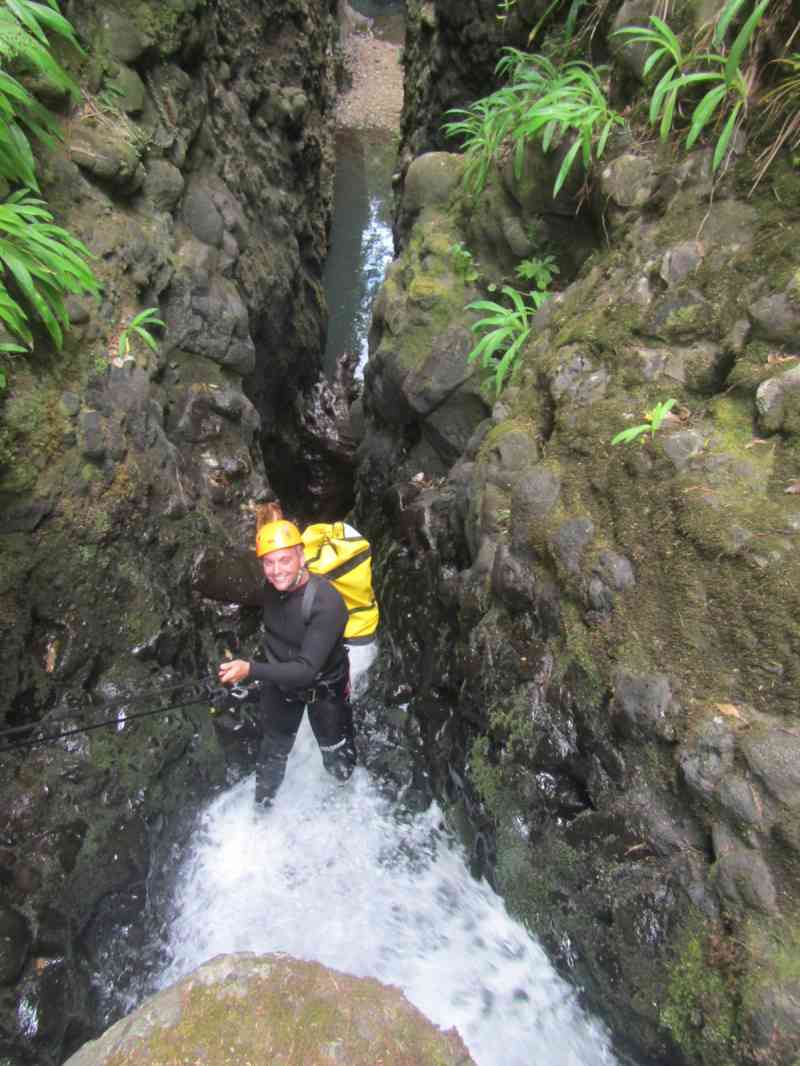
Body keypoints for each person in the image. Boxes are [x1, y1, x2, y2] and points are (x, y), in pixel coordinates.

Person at [218, 513, 356, 807]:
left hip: (324, 689)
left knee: (336, 754)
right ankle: (262, 808)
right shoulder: (271, 587)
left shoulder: (327, 603)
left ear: (301, 557)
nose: (276, 570)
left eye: (284, 560)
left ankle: (344, 803)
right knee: (273, 750)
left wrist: (250, 669)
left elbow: (306, 671)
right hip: (280, 682)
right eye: (268, 562)